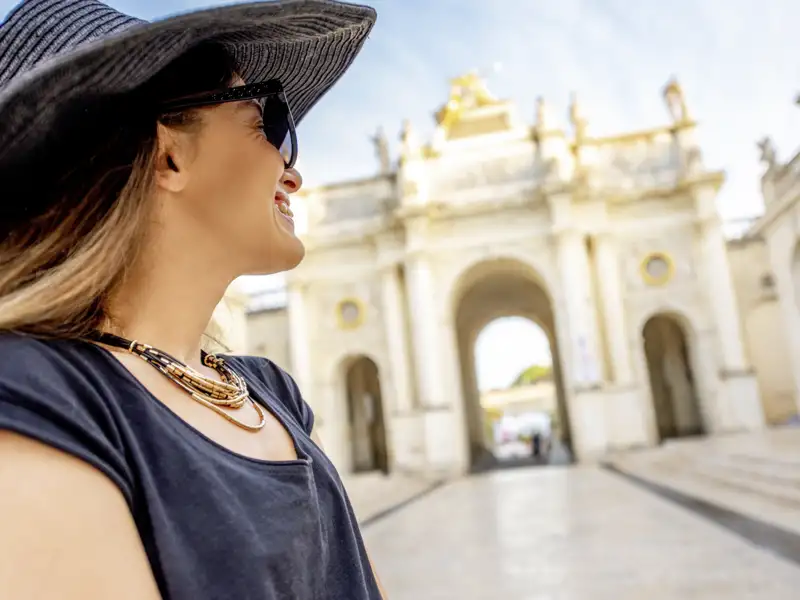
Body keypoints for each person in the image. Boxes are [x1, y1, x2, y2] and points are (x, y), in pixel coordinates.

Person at [0, 1, 386, 599]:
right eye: (270, 120)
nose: (293, 169)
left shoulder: (268, 392)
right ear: (169, 155)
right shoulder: (38, 399)